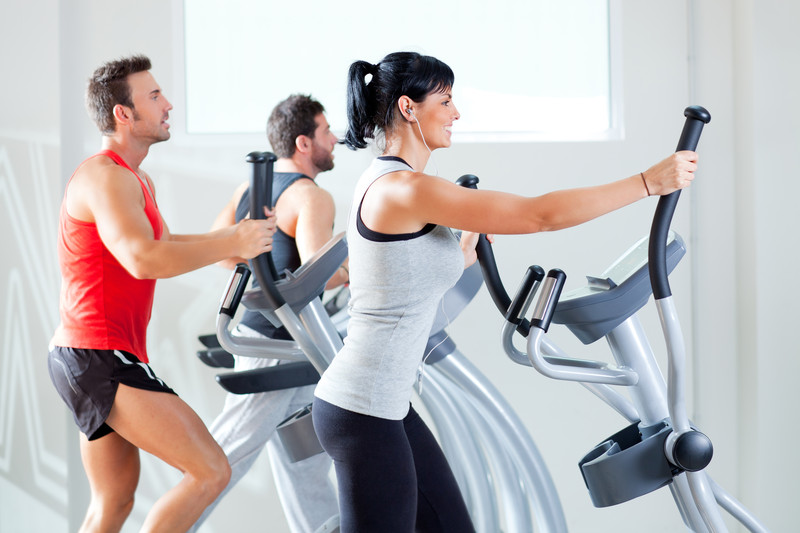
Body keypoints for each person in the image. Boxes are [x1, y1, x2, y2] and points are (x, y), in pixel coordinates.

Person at [311, 51, 699, 532]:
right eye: (447, 101)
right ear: (409, 108)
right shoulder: (404, 189)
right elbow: (540, 216)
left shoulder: (397, 185)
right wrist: (647, 182)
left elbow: (401, 276)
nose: (457, 114)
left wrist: (465, 250)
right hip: (362, 411)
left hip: (384, 407)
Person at [47, 55, 276, 533]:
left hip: (93, 354)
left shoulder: (135, 179)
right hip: (98, 354)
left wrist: (233, 237)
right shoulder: (104, 177)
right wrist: (232, 243)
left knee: (112, 503)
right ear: (122, 114)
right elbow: (142, 259)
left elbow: (165, 244)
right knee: (210, 471)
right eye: (154, 97)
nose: (168, 104)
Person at [191, 94, 345, 532]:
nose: (334, 139)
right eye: (325, 131)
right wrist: (356, 270)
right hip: (278, 345)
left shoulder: (249, 190)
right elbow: (321, 273)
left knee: (305, 459)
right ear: (303, 142)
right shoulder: (310, 196)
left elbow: (222, 253)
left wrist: (267, 264)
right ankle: (171, 523)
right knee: (224, 457)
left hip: (287, 343)